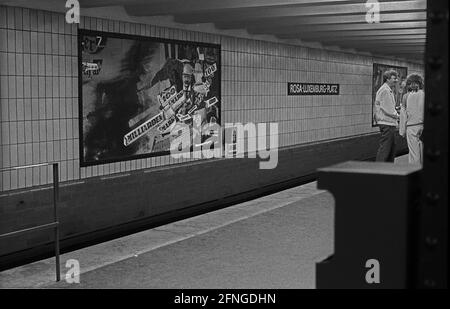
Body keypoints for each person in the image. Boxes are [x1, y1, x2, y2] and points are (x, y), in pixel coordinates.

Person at [374, 69, 400, 162]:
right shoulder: (385, 90)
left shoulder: (386, 89)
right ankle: (380, 169)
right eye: (394, 78)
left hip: (388, 123)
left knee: (390, 149)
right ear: (387, 79)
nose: (396, 80)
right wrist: (399, 116)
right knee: (385, 149)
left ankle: (388, 169)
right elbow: (388, 109)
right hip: (387, 124)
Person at [405, 73, 425, 165]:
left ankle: (414, 173)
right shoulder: (424, 94)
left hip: (411, 126)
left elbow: (406, 113)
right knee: (422, 152)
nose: (411, 85)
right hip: (422, 125)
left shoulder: (408, 96)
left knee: (414, 153)